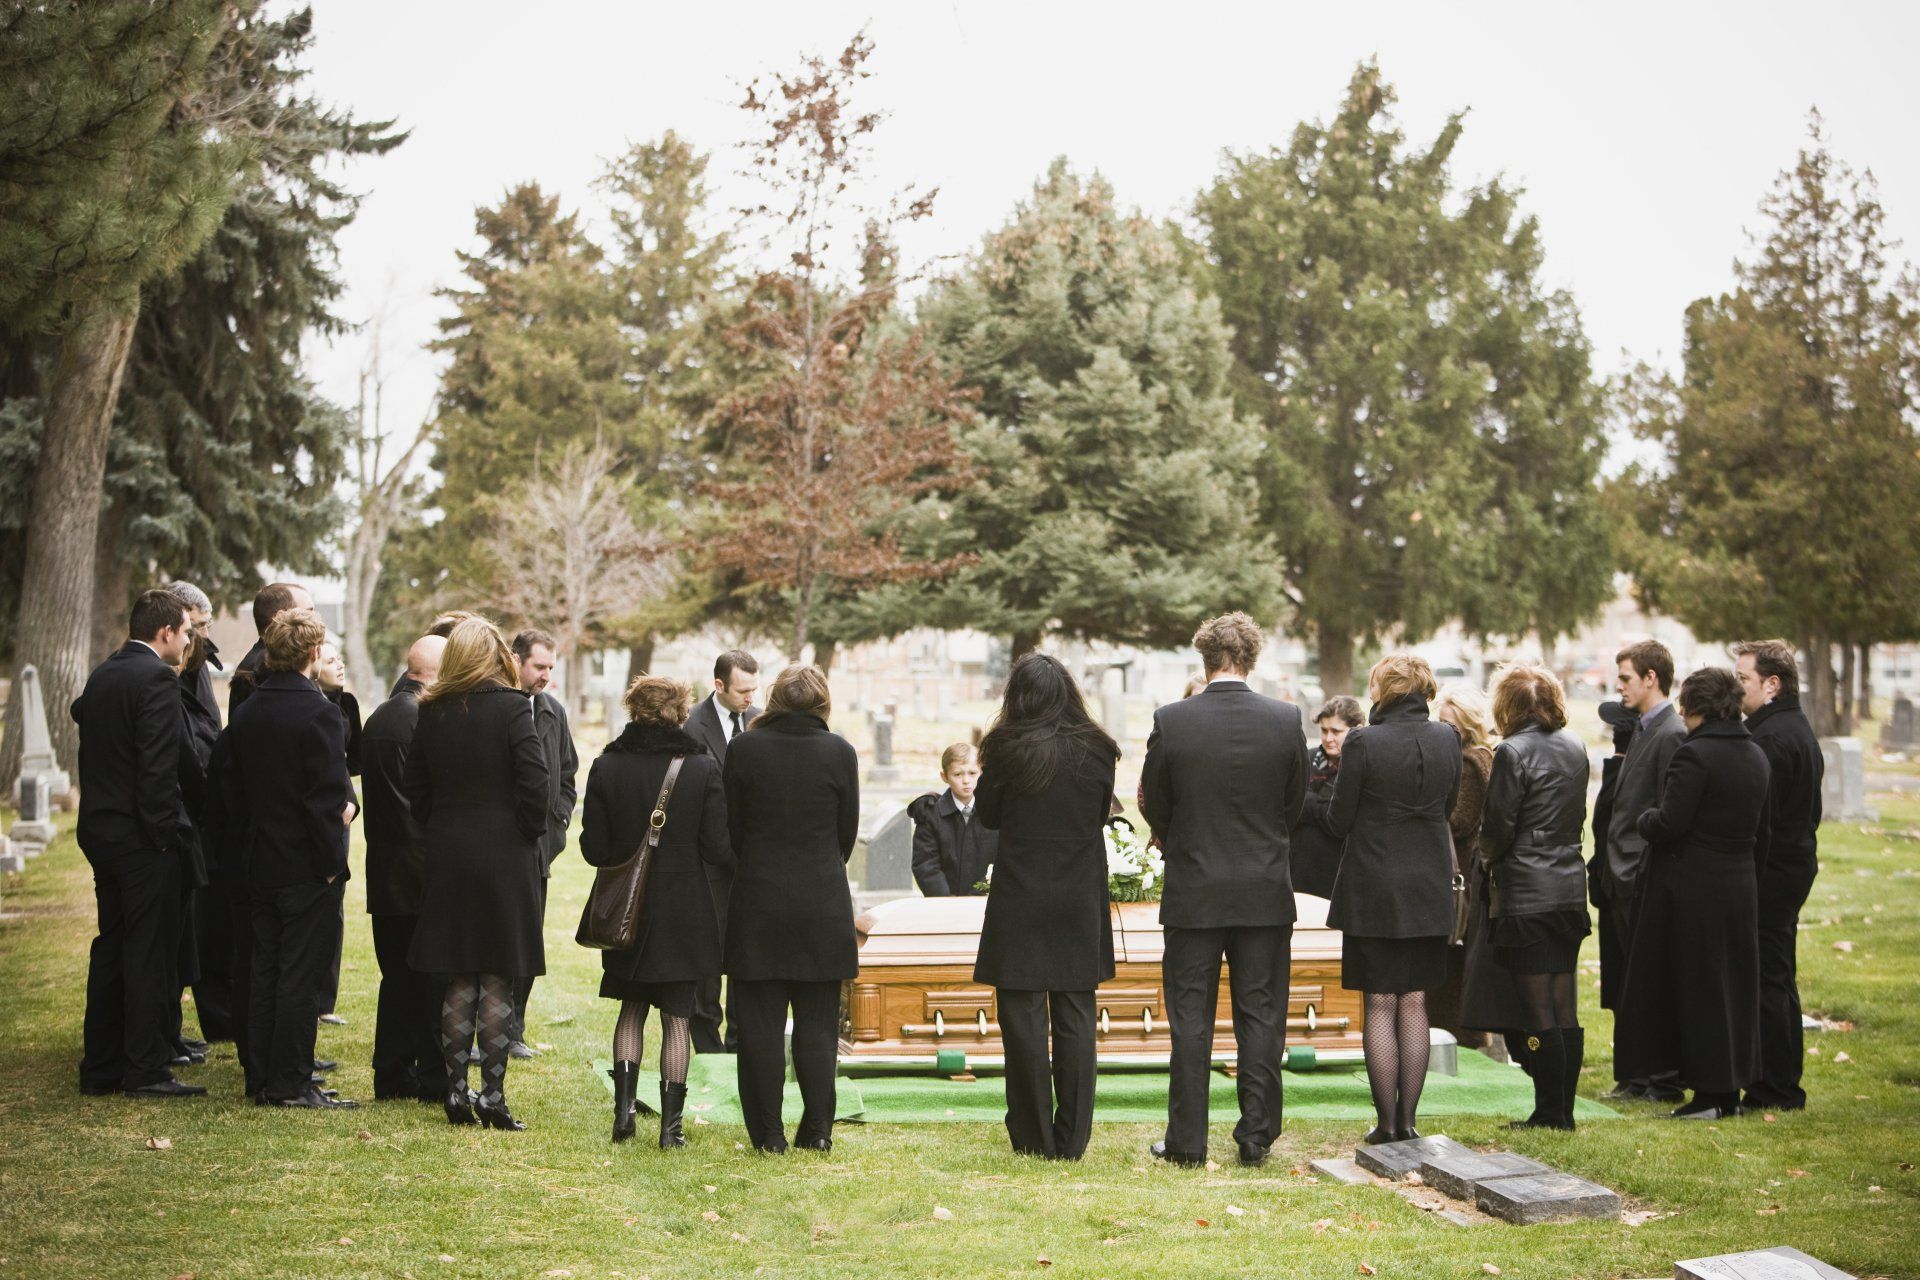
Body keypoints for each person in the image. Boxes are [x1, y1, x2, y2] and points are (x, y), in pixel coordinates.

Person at [1140, 613, 1308, 1168]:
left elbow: (1154, 800)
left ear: (1204, 659)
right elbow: (1293, 804)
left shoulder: (1174, 720)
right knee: (1260, 1014)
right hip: (1262, 885)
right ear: (1251, 659)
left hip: (1195, 885)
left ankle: (1187, 1140)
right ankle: (1256, 1134)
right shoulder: (1286, 721)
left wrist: (1181, 835)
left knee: (1190, 1018)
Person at [404, 617, 552, 1131]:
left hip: (448, 853)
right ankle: (491, 1095)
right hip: (504, 856)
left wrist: (442, 827)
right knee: (497, 975)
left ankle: (454, 1090)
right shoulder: (513, 709)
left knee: (459, 973)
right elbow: (537, 786)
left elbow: (415, 789)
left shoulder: (432, 710)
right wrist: (524, 832)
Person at [973, 654, 1119, 1160]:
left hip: (1021, 891)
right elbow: (1101, 813)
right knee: (1077, 1015)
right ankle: (1072, 1137)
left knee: (1024, 1018)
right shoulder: (1098, 748)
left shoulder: (1007, 747)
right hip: (1077, 891)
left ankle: (1033, 1136)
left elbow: (987, 814)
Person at [582, 675, 732, 1147]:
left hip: (628, 912)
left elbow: (593, 849)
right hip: (684, 909)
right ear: (682, 713)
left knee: (630, 1011)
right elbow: (715, 847)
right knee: (677, 1019)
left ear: (633, 711)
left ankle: (624, 1115)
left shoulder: (606, 766)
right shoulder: (702, 768)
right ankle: (670, 1129)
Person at [220, 607, 360, 1110]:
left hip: (260, 858)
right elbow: (324, 797)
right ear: (313, 653)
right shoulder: (320, 712)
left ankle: (261, 1076)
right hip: (305, 864)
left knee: (265, 971)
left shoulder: (249, 710)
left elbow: (229, 787)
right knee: (300, 976)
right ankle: (291, 1082)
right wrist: (329, 862)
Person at [1618, 666, 1770, 1120]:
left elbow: (1670, 823)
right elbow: (1764, 830)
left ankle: (1709, 1095)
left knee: (1699, 990)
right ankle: (1730, 1092)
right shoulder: (1755, 754)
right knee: (1732, 989)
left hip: (1694, 889)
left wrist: (1645, 818)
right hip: (1739, 884)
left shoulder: (1695, 755)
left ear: (1698, 707)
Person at [1324, 654, 1461, 1144]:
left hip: (1374, 886)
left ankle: (1386, 1123)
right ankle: (1410, 1119)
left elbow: (1339, 820)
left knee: (1380, 1002)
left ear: (1382, 689)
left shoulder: (1363, 741)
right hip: (1427, 884)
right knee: (1416, 1000)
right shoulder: (1449, 737)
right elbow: (1447, 807)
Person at [721, 664, 858, 1153]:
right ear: (821, 702)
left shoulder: (745, 748)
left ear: (775, 700)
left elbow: (732, 829)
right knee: (819, 1026)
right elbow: (847, 833)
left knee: (758, 1026)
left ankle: (767, 1134)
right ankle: (818, 1129)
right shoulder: (839, 751)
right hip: (821, 900)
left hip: (759, 897)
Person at [73, 590, 202, 1099]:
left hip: (101, 829)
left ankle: (101, 1066)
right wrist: (164, 836)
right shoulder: (154, 678)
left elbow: (83, 712)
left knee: (112, 946)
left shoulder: (105, 673)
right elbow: (157, 766)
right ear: (166, 632)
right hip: (140, 838)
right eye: (187, 632)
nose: (190, 642)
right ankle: (146, 1069)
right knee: (149, 951)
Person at [1479, 665, 1592, 1131]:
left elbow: (1499, 826)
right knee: (1564, 1000)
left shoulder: (1511, 751)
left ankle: (1550, 1112)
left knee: (1536, 1007)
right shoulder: (1576, 746)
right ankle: (1561, 1109)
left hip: (1526, 889)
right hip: (1568, 886)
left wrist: (1487, 858)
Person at [1734, 639, 1824, 1113]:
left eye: (1743, 679)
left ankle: (1777, 1086)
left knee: (1769, 977)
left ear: (1772, 684)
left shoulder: (1771, 737)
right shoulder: (1792, 726)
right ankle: (1776, 1081)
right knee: (1776, 975)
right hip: (1791, 865)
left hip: (1773, 872)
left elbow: (1761, 820)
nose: (1737, 687)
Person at [1597, 640, 1686, 1103]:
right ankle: (1635, 1075)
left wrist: (1634, 868)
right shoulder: (1642, 729)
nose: (1619, 686)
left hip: (1640, 874)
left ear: (1652, 678)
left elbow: (1665, 811)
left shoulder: (1671, 733)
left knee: (1651, 980)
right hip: (1621, 874)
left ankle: (1662, 1078)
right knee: (1628, 982)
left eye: (1627, 678)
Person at [360, 633, 447, 1102]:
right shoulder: (419, 719)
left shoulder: (383, 715)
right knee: (426, 979)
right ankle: (422, 1075)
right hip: (417, 871)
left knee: (397, 979)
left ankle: (393, 1071)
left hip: (388, 867)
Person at [507, 629, 579, 1060]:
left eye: (551, 668)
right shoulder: (501, 708)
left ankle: (515, 1028)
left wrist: (559, 823)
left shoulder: (553, 711)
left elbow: (566, 774)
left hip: (540, 850)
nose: (546, 677)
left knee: (528, 941)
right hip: (502, 846)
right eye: (539, 667)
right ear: (517, 661)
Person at [685, 649, 760, 1054]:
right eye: (742, 690)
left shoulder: (761, 720)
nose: (750, 698)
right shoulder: (693, 727)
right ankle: (708, 1046)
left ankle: (739, 1041)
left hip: (750, 859)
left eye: (754, 689)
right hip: (708, 860)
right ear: (719, 685)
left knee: (745, 952)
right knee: (709, 956)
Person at [167, 583, 231, 1049]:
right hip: (180, 814)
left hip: (205, 811)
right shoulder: (164, 673)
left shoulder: (197, 665)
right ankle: (166, 1027)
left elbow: (208, 730)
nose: (200, 638)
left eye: (206, 627)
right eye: (196, 627)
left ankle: (204, 1021)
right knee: (176, 925)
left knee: (200, 924)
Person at [1434, 684, 1510, 1053]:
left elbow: (1459, 819)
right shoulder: (1487, 756)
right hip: (1473, 870)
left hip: (1458, 871)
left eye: (1449, 723)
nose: (1442, 729)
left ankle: (1459, 1035)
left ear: (1466, 725)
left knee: (1453, 962)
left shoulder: (1467, 762)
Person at [311, 640, 361, 1028]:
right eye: (330, 660)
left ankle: (325, 999)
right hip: (325, 810)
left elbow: (355, 760)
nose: (338, 665)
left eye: (339, 658)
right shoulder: (314, 708)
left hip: (342, 809)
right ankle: (312, 999)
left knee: (335, 907)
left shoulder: (346, 704)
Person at [1293, 696, 1363, 900]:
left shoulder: (1360, 765)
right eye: (1324, 730)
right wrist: (1323, 807)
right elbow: (1290, 805)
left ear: (1354, 729)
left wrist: (1308, 802)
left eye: (1336, 731)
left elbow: (1341, 819)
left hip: (1338, 868)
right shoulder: (1307, 758)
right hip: (1300, 865)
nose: (1328, 738)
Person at [909, 743, 997, 896]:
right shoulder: (931, 814)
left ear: (982, 772)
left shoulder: (994, 812)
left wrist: (980, 893)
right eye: (957, 774)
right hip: (944, 906)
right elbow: (926, 864)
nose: (966, 781)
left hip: (984, 903)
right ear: (944, 777)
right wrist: (947, 900)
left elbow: (1001, 858)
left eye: (972, 773)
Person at [227, 582, 312, 717]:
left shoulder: (262, 663)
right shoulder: (265, 668)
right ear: (279, 617)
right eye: (307, 612)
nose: (314, 620)